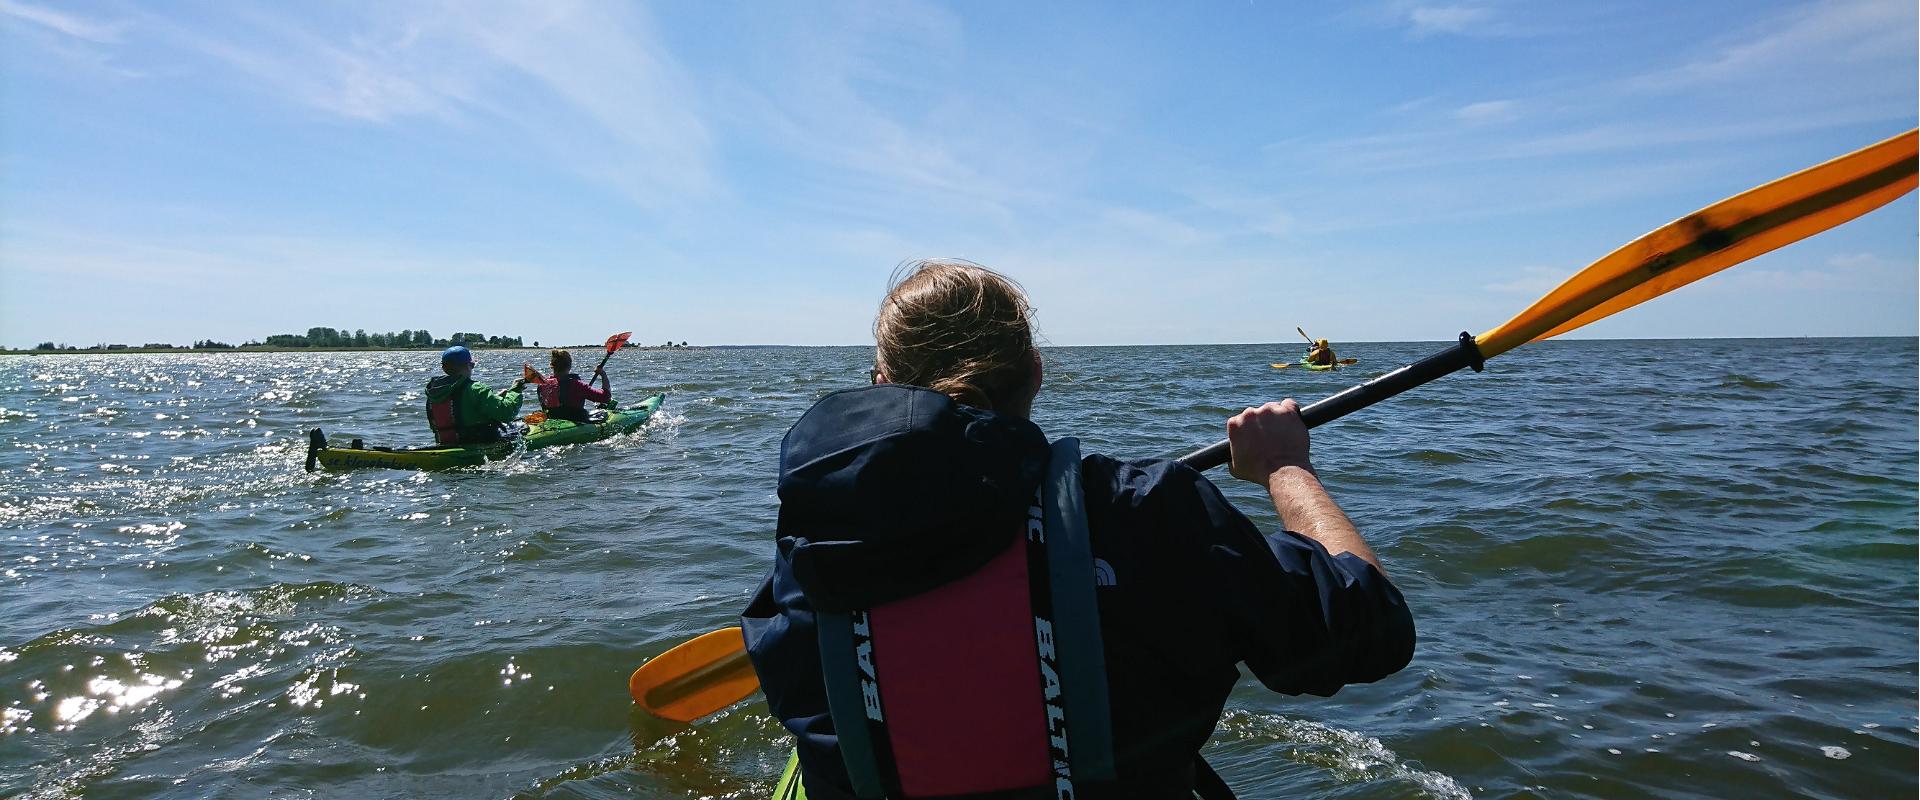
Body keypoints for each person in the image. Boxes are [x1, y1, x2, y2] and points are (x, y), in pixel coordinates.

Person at [741, 260, 1414, 799]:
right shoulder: (1150, 510)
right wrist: (1285, 467)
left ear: (882, 383)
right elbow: (1370, 630)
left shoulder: (811, 553)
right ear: (1035, 372)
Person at [424, 345, 526, 445]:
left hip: (447, 445)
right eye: (472, 365)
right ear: (468, 365)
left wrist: (497, 398)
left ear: (444, 368)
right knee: (521, 428)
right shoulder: (477, 389)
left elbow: (465, 409)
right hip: (478, 445)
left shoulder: (434, 392)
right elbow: (507, 413)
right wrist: (515, 390)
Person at [536, 348, 612, 424]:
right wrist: (603, 375)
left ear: (552, 366)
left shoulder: (542, 385)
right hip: (575, 421)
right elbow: (605, 397)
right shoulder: (576, 384)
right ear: (569, 366)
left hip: (552, 421)